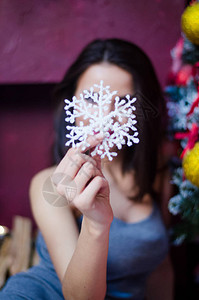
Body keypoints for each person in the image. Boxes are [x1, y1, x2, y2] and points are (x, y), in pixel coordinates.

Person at [0, 38, 174, 300]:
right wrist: (95, 223)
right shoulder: (52, 184)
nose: (106, 116)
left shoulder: (158, 173)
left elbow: (160, 269)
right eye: (92, 98)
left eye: (124, 102)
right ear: (71, 101)